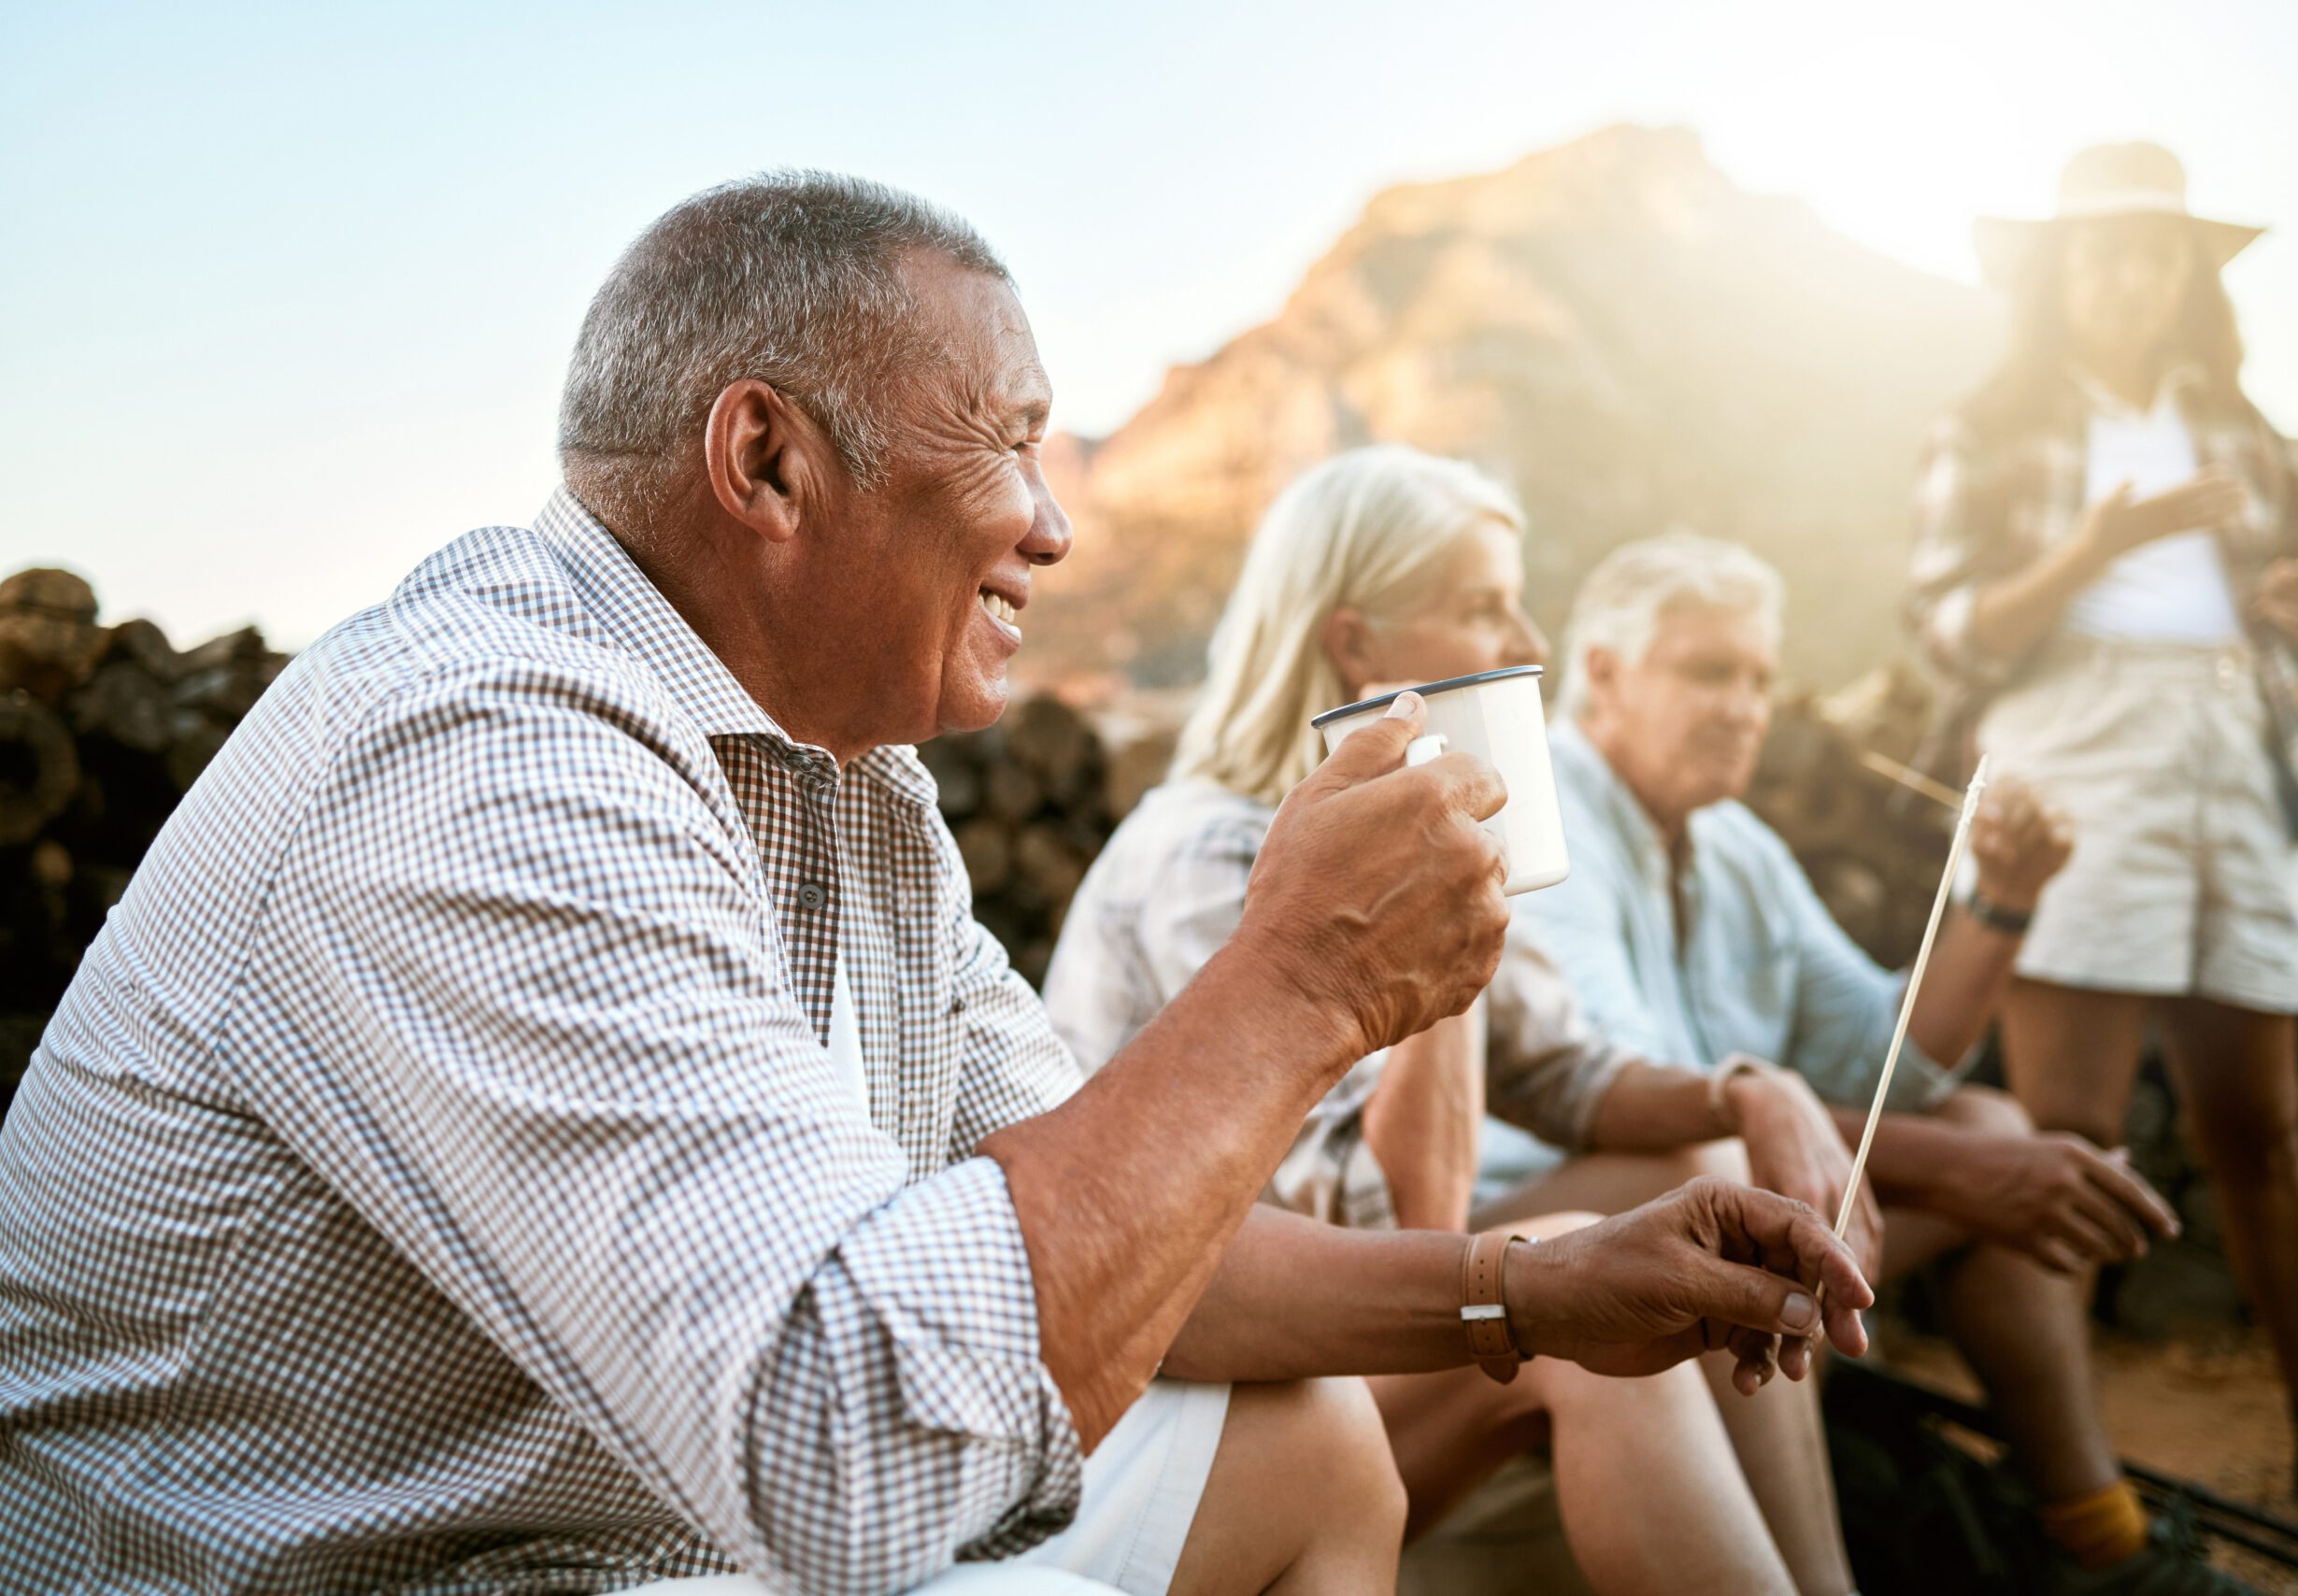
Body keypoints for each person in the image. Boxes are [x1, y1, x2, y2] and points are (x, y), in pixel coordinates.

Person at [0, 174, 1875, 1596]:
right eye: (1009, 440)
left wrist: (1529, 1291)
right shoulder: (488, 750)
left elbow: (1159, 1251)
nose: (1057, 520)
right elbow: (841, 1443)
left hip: (641, 1527)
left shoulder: (848, 785)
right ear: (768, 458)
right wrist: (1299, 979)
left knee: (1300, 1444)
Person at [1046, 445, 1887, 1596]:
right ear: (1355, 646)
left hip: (1341, 1330)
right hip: (1211, 1383)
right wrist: (1434, 947)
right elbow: (1408, 1221)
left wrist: (1754, 1087)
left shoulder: (1414, 841)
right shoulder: (1213, 854)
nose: (1526, 644)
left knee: (1710, 1163)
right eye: (1484, 607)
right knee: (1581, 1314)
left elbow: (1574, 1075)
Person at [1519, 529, 2253, 1593]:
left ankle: (2095, 1538)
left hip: (1712, 1173)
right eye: (1708, 671)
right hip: (1553, 1224)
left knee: (1987, 1128)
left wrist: (2000, 899)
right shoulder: (1549, 827)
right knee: (1742, 1198)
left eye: (1760, 678)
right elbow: (1646, 1100)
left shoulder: (1732, 848)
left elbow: (1886, 1061)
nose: (1743, 706)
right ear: (1602, 674)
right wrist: (1956, 1175)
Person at [1906, 140, 2298, 1496]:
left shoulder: (2240, 427)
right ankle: (2074, 1468)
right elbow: (1947, 635)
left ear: (2183, 275)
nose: (2127, 276)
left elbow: (2291, 595)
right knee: (2072, 1139)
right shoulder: (1988, 428)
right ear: (2058, 273)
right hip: (2076, 750)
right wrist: (2097, 546)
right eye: (2101, 252)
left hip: (2230, 749)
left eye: (2152, 252)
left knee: (2258, 1125)